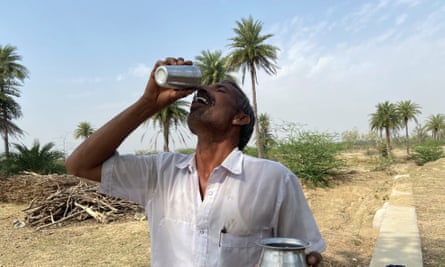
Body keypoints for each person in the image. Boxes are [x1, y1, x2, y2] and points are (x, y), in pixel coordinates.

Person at [65, 57, 326, 266]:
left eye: (219, 89)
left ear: (240, 118)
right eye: (204, 87)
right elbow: (80, 165)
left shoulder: (273, 179)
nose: (203, 89)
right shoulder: (161, 172)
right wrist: (148, 103)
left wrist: (309, 259)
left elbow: (306, 253)